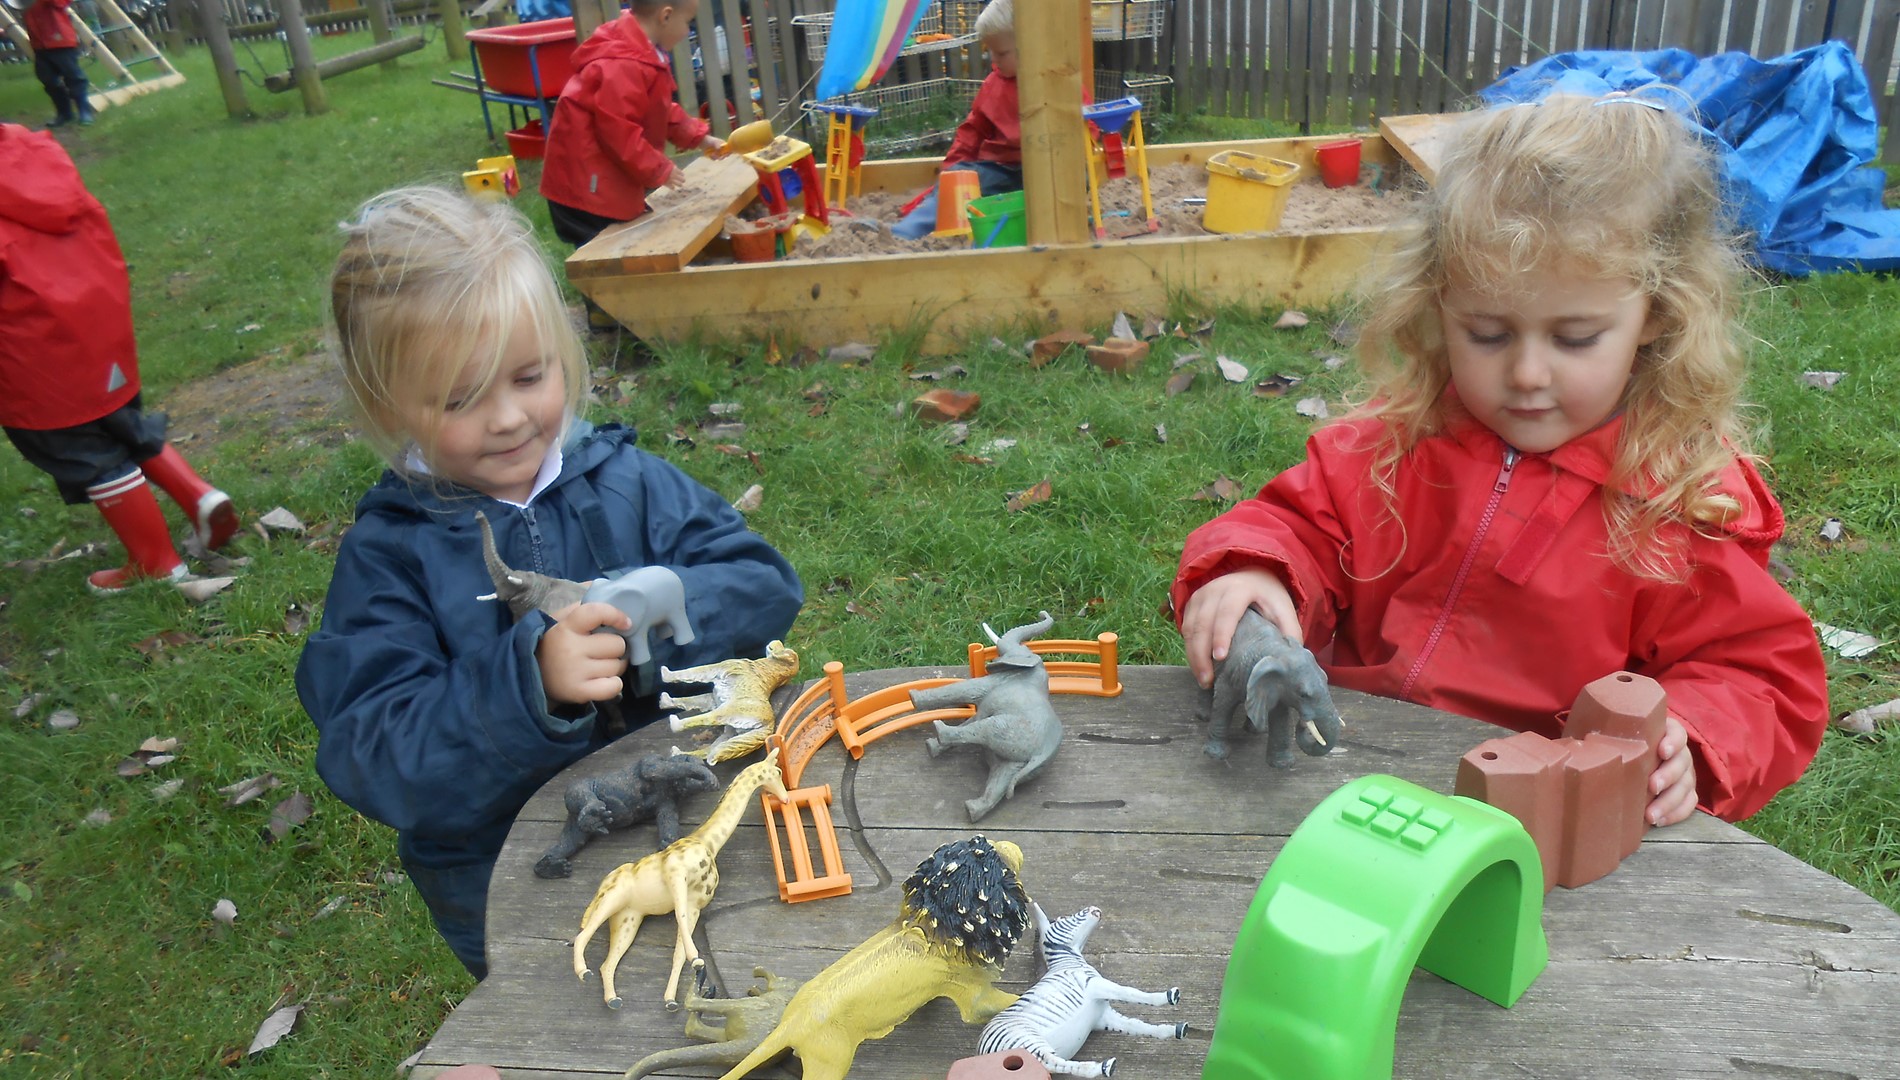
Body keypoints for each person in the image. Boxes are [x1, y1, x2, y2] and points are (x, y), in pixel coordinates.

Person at [1174, 94, 1828, 826]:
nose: (1526, 374)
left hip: (1541, 820)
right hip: (1344, 774)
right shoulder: (1400, 442)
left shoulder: (1679, 503)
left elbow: (1757, 673)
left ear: (1658, 315)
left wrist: (1692, 736)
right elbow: (1296, 526)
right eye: (1487, 333)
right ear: (1437, 306)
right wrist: (1255, 572)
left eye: (1575, 338)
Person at [298, 186, 802, 979]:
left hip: (684, 816)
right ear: (386, 404)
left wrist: (653, 611)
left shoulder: (631, 483)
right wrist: (528, 685)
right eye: (460, 399)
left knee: (721, 974)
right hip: (511, 874)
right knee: (573, 1010)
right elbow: (374, 754)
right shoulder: (389, 556)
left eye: (530, 376)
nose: (507, 418)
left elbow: (764, 585)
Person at [0, 123, 239, 593]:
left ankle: (156, 561)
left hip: (33, 353)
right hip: (96, 324)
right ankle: (197, 495)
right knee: (118, 420)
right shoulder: (25, 152)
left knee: (83, 451)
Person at [539, 0, 724, 331]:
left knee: (620, 234)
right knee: (601, 246)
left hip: (598, 174)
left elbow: (659, 108)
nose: (688, 32)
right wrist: (659, 168)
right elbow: (618, 131)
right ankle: (604, 311)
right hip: (583, 182)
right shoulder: (622, 63)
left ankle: (618, 305)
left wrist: (698, 137)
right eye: (688, 22)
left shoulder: (641, 51)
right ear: (665, 16)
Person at [891, 0, 1022, 240]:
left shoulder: (1054, 80)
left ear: (1028, 45)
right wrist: (951, 171)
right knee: (959, 182)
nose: (994, 59)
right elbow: (972, 133)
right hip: (1001, 170)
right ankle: (905, 232)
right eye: (991, 51)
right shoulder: (994, 85)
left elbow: (1083, 122)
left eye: (1002, 53)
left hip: (1045, 170)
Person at [23, 0, 95, 128]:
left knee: (74, 77)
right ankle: (64, 113)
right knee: (48, 79)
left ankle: (84, 112)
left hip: (60, 40)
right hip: (39, 43)